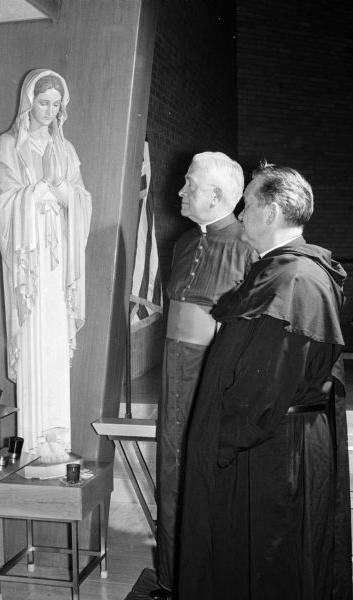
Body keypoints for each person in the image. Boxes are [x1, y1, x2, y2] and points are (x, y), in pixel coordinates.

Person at [178, 163, 352, 600]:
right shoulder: (281, 270)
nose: (240, 216)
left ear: (271, 212)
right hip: (268, 443)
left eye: (248, 205)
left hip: (271, 452)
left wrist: (218, 441)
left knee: (270, 562)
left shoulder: (296, 278)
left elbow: (267, 386)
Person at [152, 152, 257, 600]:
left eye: (189, 184)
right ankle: (170, 579)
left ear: (216, 195)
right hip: (174, 374)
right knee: (170, 471)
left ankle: (205, 581)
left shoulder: (249, 249)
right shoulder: (182, 243)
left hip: (210, 376)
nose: (180, 190)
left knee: (202, 477)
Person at [0, 69, 92, 461]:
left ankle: (58, 440)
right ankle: (34, 446)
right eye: (43, 101)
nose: (49, 110)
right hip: (29, 261)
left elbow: (81, 198)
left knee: (54, 337)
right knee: (34, 335)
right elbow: (3, 196)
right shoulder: (8, 145)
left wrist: (64, 192)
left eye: (56, 103)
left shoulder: (66, 150)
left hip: (59, 262)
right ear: (28, 100)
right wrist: (36, 195)